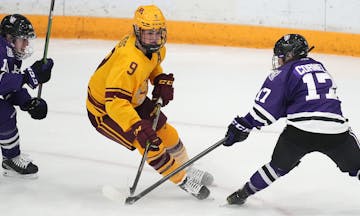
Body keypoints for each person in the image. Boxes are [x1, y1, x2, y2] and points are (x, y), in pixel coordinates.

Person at [86, 5, 213, 200]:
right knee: (149, 143)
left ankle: (185, 167)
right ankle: (181, 179)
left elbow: (150, 63)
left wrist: (159, 78)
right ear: (137, 32)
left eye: (158, 32)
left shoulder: (152, 48)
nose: (154, 38)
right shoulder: (128, 63)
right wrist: (136, 126)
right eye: (149, 33)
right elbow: (115, 103)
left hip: (133, 98)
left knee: (168, 133)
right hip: (106, 111)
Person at [223, 33, 360, 205]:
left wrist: (244, 124)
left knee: (276, 167)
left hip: (300, 133)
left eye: (280, 57)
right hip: (335, 131)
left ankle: (243, 193)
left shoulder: (284, 72)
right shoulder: (320, 66)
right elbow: (311, 102)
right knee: (358, 165)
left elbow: (266, 110)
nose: (278, 61)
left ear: (289, 55)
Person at [0, 14, 54, 178]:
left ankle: (10, 159)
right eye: (23, 39)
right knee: (3, 112)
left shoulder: (11, 57)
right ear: (10, 38)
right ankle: (11, 159)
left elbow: (9, 91)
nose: (26, 44)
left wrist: (28, 102)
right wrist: (27, 76)